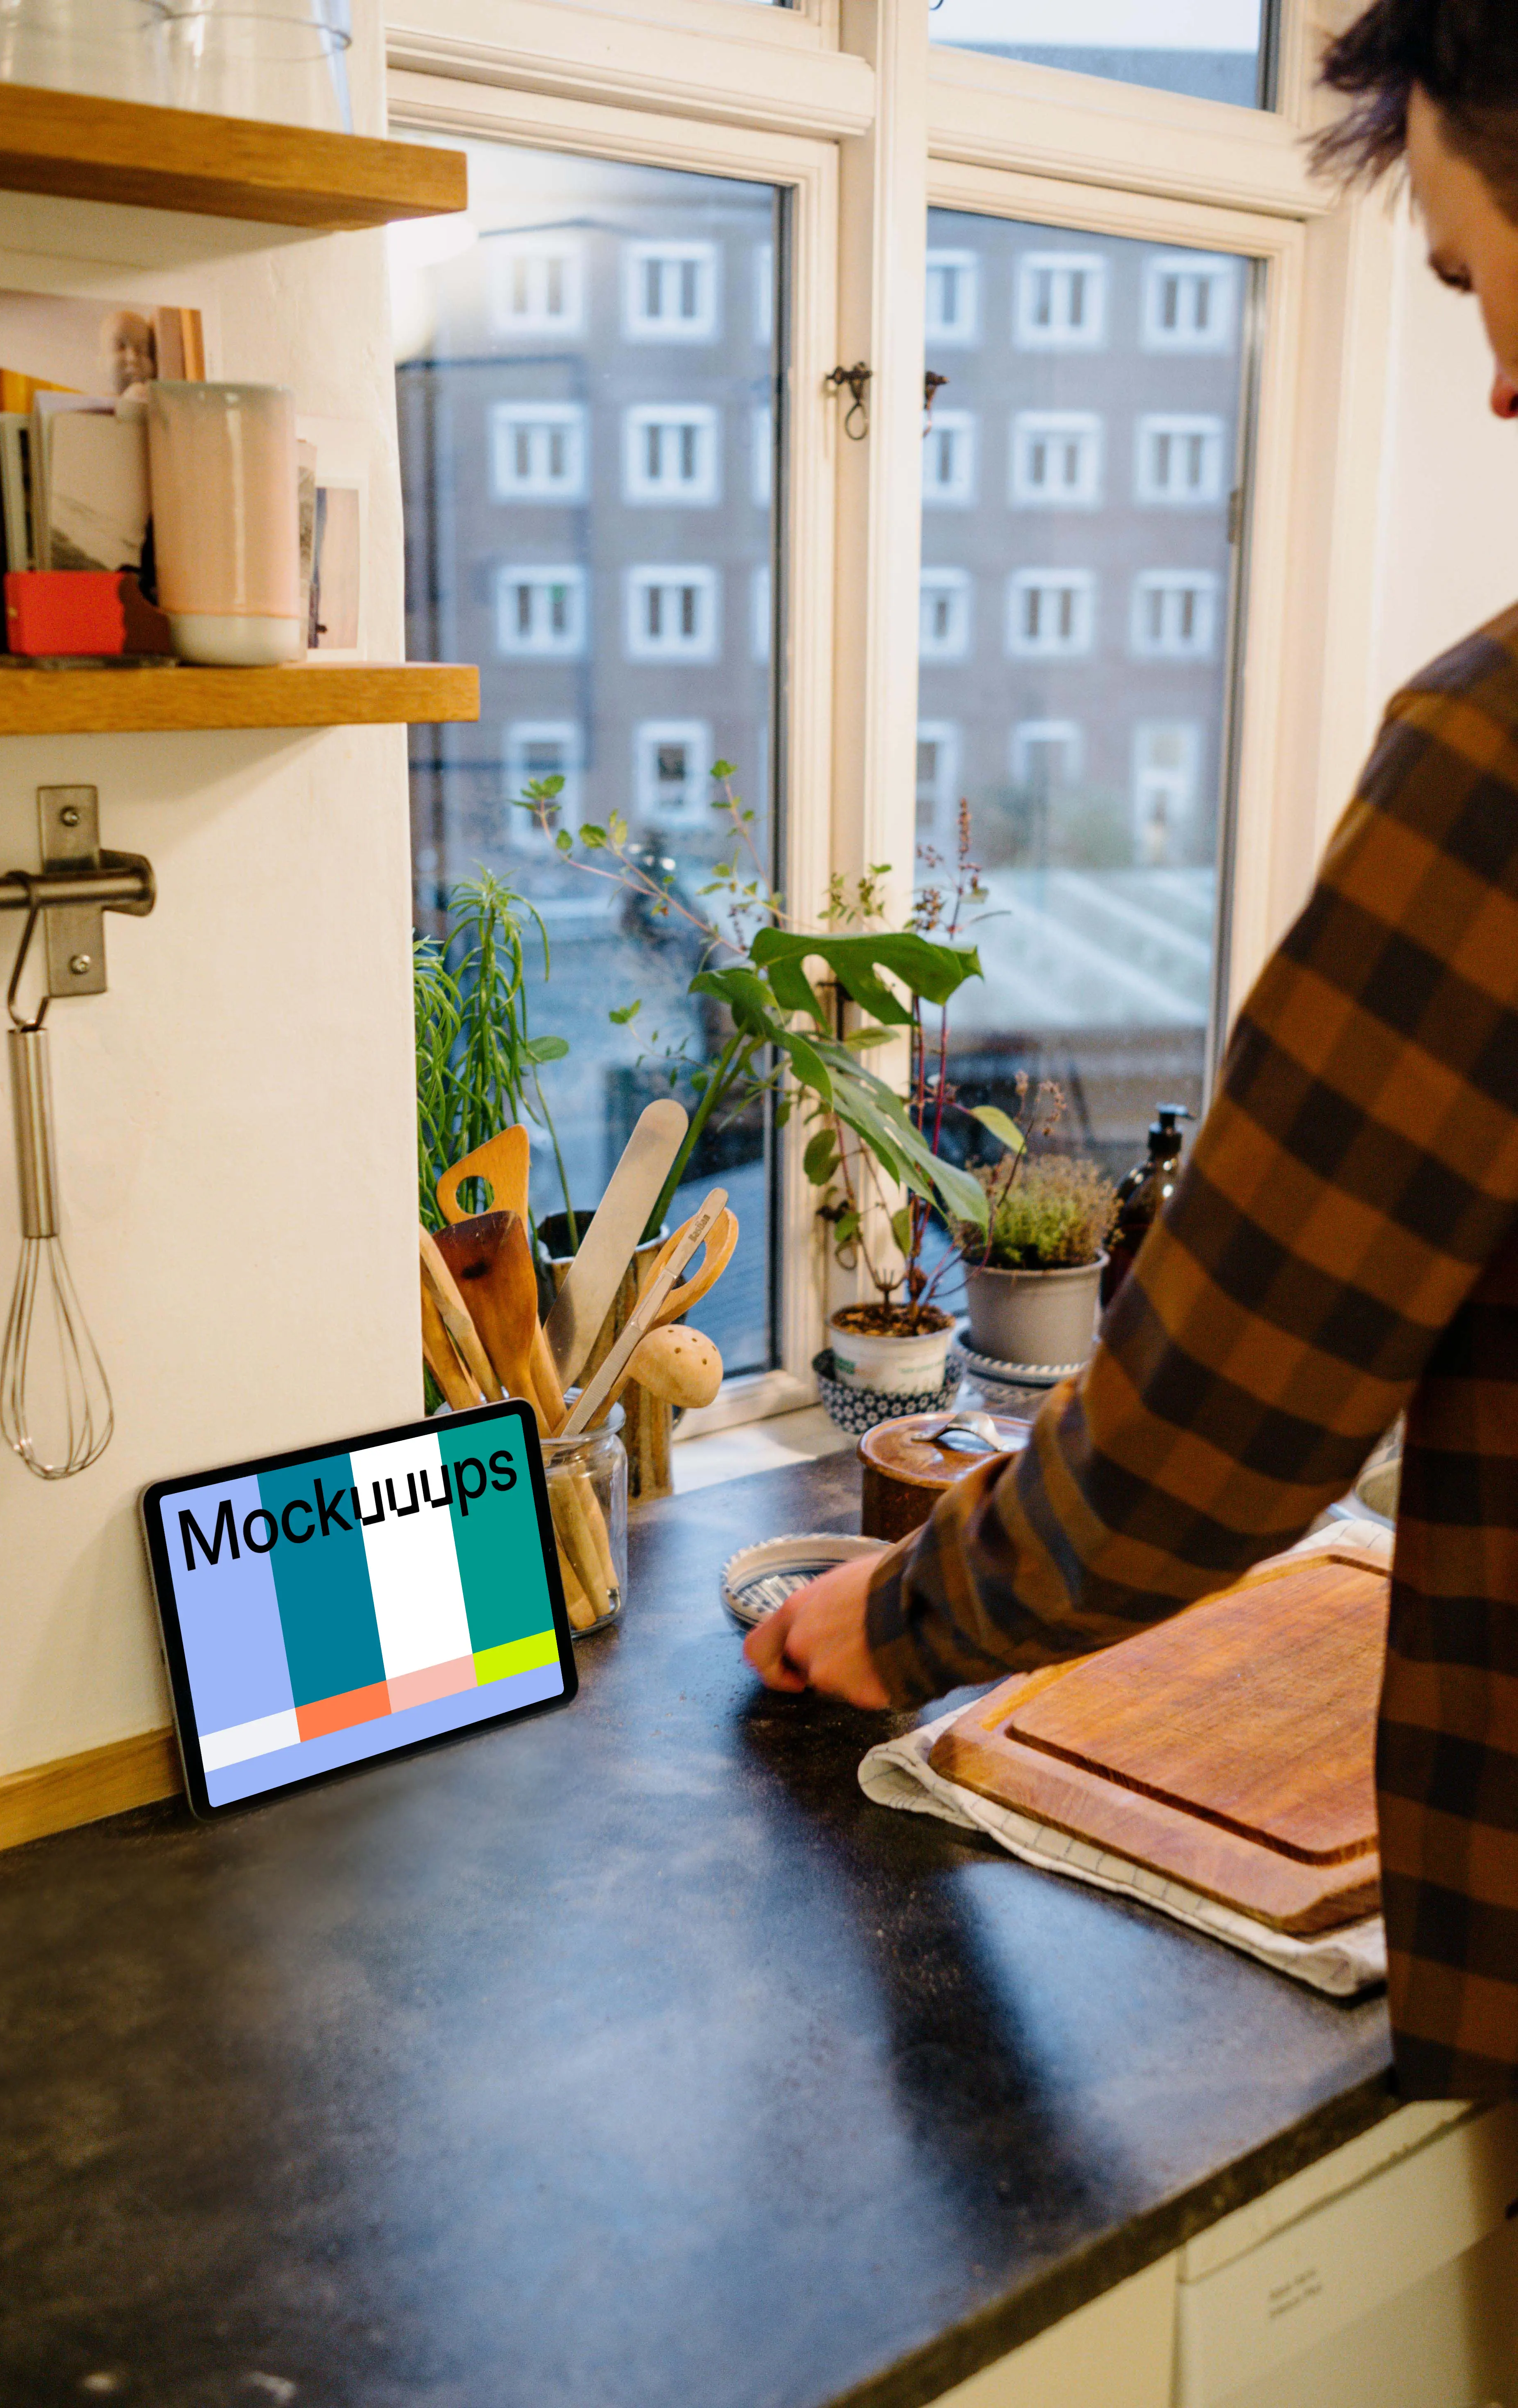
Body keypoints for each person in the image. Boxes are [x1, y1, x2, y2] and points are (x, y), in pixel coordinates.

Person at [747, 0, 1518, 2102]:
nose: (1500, 381)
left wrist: (881, 1622)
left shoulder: (1495, 759)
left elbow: (1212, 1442)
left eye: (1474, 274)